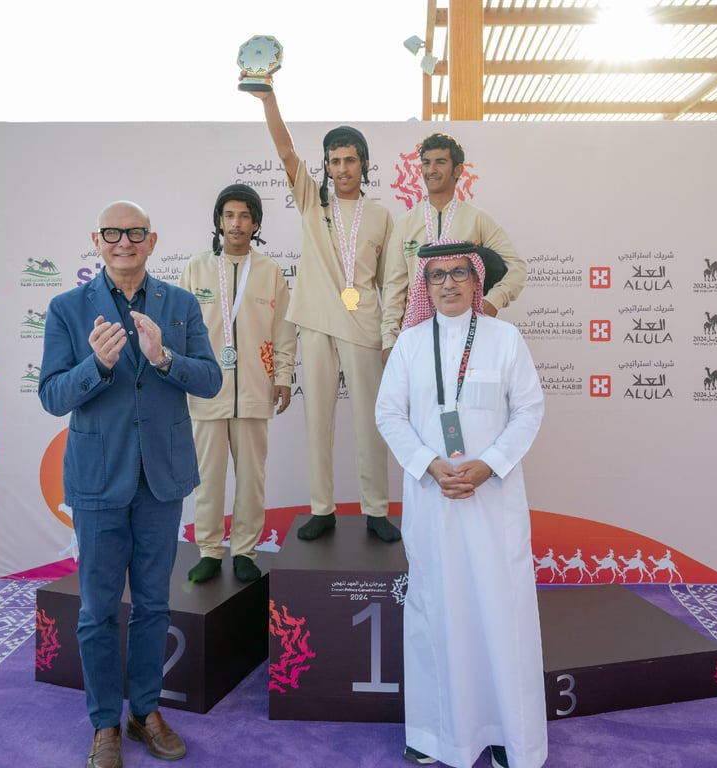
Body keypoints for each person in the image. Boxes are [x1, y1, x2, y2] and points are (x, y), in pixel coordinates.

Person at [38, 200, 222, 768]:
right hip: (98, 480)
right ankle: (104, 724)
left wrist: (164, 359)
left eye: (136, 233)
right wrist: (95, 365)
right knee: (96, 610)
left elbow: (210, 380)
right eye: (113, 233)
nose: (125, 242)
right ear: (97, 241)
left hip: (161, 479)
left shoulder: (181, 304)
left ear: (152, 240)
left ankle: (145, 712)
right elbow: (52, 396)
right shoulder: (67, 309)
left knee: (153, 604)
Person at [375, 239, 547, 768]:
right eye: (437, 275)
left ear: (476, 281)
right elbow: (389, 414)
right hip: (433, 500)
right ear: (425, 286)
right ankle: (433, 734)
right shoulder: (409, 344)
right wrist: (429, 463)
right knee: (435, 612)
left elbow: (529, 409)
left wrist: (489, 463)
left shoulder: (505, 339)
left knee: (500, 611)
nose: (448, 283)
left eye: (458, 274)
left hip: (492, 501)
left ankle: (506, 733)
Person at [247, 81, 400, 543]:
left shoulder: (382, 216)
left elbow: (390, 281)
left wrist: (390, 335)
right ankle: (322, 508)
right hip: (315, 323)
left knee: (370, 422)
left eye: (350, 160)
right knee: (318, 421)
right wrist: (269, 100)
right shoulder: (313, 201)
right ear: (326, 167)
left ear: (364, 164)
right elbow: (285, 149)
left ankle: (376, 509)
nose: (342, 168)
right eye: (334, 161)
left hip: (363, 326)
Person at [178, 184, 296, 583]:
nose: (236, 223)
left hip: (254, 391)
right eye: (229, 215)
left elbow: (283, 331)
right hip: (206, 393)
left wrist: (283, 376)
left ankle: (245, 550)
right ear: (218, 221)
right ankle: (209, 551)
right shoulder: (195, 269)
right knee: (207, 481)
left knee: (251, 480)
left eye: (245, 216)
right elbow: (179, 331)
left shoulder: (269, 272)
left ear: (256, 223)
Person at [381, 132, 527, 360]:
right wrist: (389, 341)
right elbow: (394, 287)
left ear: (458, 170)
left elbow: (517, 268)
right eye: (426, 163)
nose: (431, 170)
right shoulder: (405, 223)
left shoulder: (477, 218)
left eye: (440, 162)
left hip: (468, 328)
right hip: (419, 331)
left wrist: (491, 302)